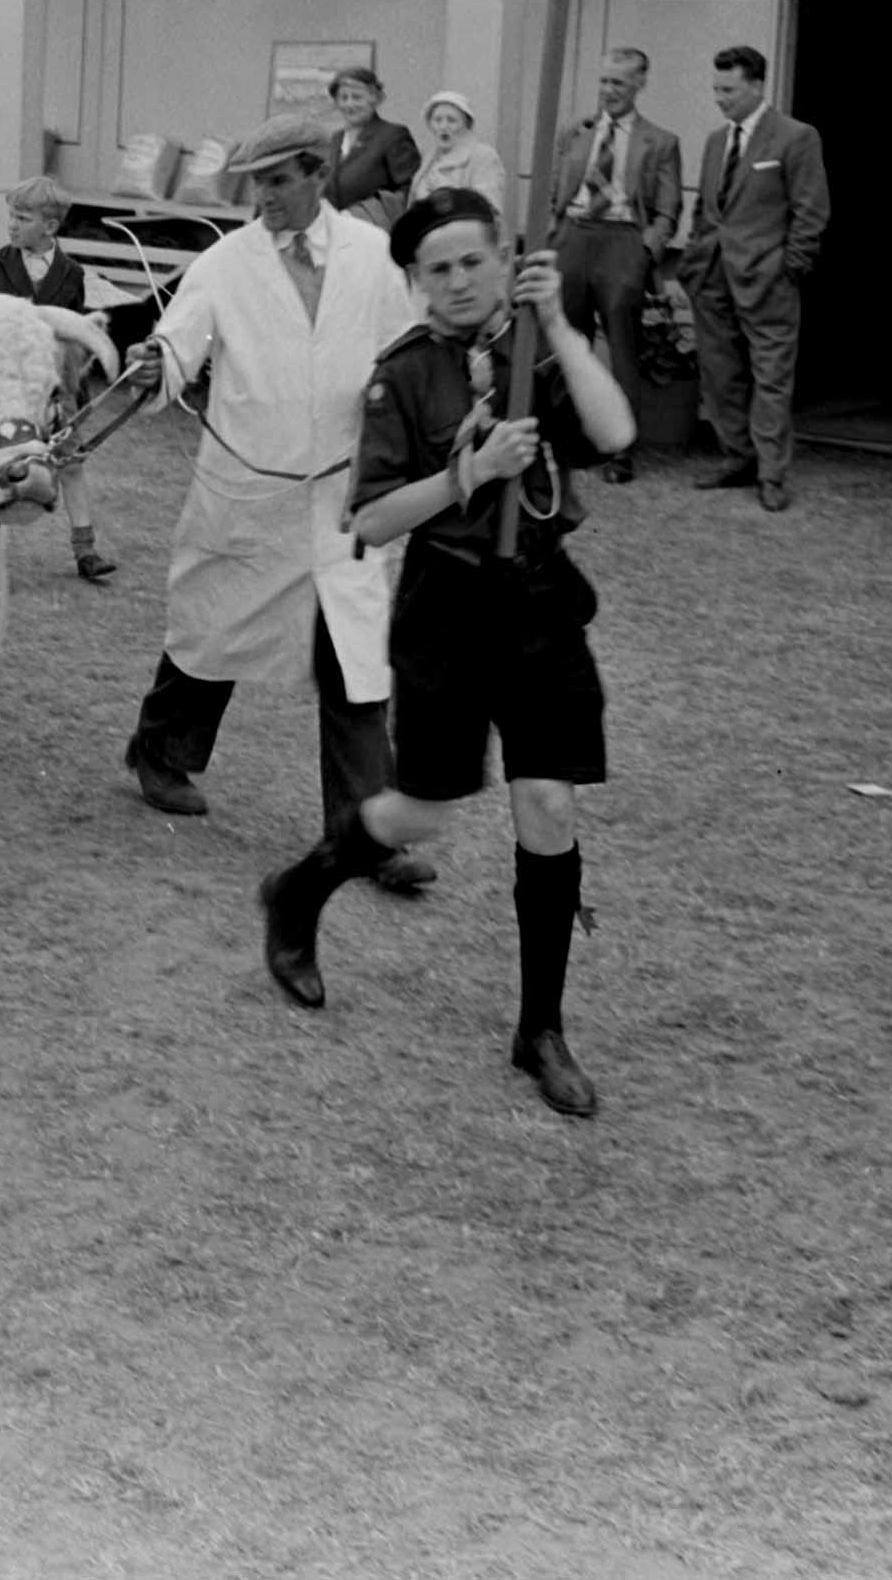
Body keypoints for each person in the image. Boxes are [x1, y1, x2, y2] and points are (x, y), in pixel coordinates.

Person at [309, 187, 640, 1117]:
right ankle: (302, 888)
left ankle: (541, 1027)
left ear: (504, 260)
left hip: (539, 602)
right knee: (422, 810)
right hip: (447, 606)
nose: (457, 282)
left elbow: (615, 434)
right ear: (414, 282)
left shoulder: (538, 349)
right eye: (437, 269)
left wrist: (562, 329)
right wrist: (468, 472)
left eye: (472, 262)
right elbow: (370, 518)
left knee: (547, 798)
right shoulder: (405, 375)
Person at [112, 114, 425, 847]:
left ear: (321, 175)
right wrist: (158, 360)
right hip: (249, 486)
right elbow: (179, 339)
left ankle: (366, 832)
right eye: (258, 183)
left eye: (281, 180)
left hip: (343, 492)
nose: (266, 198)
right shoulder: (227, 261)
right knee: (213, 630)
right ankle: (159, 752)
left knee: (356, 657)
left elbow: (406, 350)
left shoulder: (375, 255)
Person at [683, 44, 831, 512]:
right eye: (715, 89)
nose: (720, 99)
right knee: (720, 373)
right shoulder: (714, 142)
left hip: (769, 278)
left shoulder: (795, 137)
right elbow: (705, 209)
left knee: (771, 376)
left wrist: (790, 267)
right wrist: (694, 257)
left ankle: (771, 474)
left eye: (728, 90)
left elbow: (811, 211)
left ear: (756, 86)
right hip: (713, 276)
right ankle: (737, 460)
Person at [0, 177, 117, 582]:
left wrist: (72, 383)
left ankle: (85, 551)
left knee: (70, 465)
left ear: (49, 227)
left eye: (22, 218)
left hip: (55, 388)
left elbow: (74, 333)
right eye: (11, 217)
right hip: (5, 389)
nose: (12, 226)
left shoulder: (72, 273)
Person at [547, 48, 684, 483]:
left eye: (619, 83)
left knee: (622, 347)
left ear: (640, 83)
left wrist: (647, 250)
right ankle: (567, 438)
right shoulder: (575, 131)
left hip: (623, 240)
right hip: (574, 235)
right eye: (603, 81)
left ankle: (620, 448)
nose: (609, 91)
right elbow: (555, 190)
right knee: (566, 343)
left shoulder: (660, 141)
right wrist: (555, 234)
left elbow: (667, 209)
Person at [320, 65, 420, 218]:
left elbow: (409, 191)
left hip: (376, 230)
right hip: (336, 230)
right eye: (343, 98)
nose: (349, 104)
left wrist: (366, 213)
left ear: (374, 98)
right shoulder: (335, 139)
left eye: (357, 97)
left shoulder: (393, 135)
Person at [408, 90, 506, 211]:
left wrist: (446, 192)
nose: (443, 126)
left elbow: (488, 206)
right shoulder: (429, 158)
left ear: (467, 124)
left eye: (451, 120)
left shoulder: (484, 156)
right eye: (437, 120)